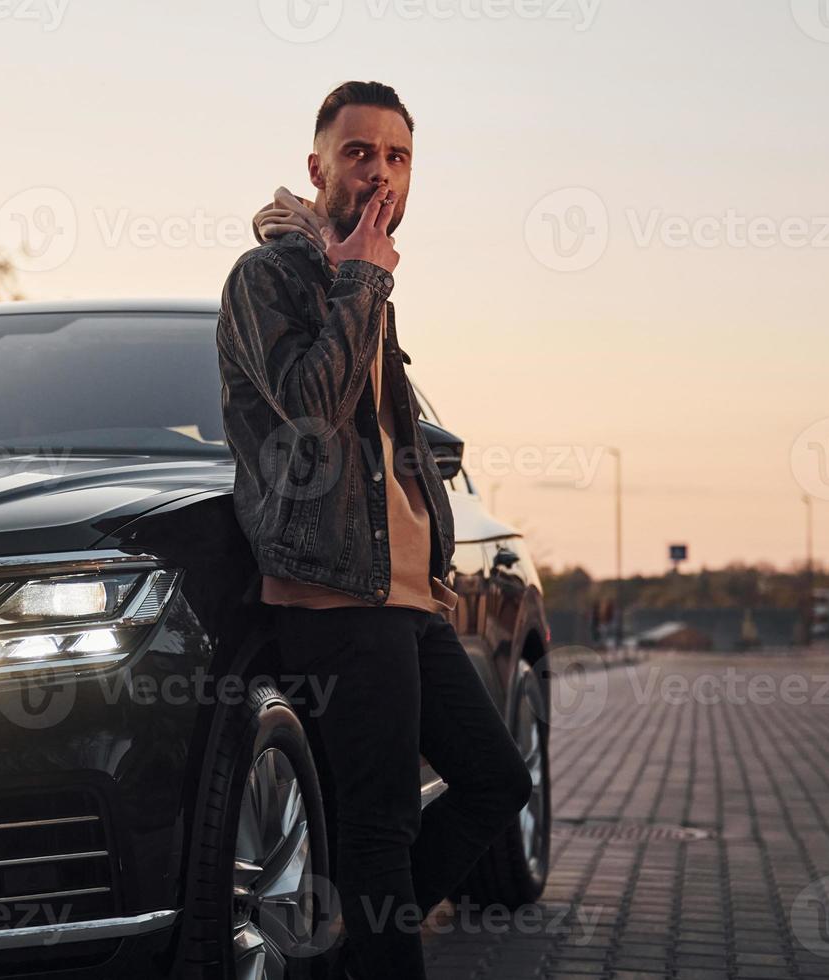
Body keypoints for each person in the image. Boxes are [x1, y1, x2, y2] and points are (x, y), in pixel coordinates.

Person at [215, 80, 534, 979]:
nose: (380, 172)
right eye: (360, 153)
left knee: (494, 780)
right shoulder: (269, 278)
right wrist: (361, 274)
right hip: (331, 595)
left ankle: (353, 951)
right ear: (317, 166)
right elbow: (312, 408)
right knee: (380, 822)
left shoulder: (363, 282)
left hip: (403, 595)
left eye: (398, 157)